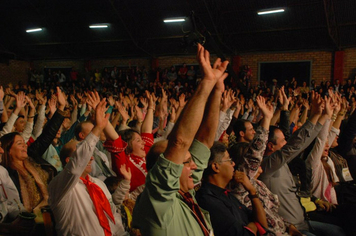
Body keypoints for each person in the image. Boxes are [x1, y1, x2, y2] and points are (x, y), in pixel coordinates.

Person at [131, 44, 229, 236]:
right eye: (186, 162)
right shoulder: (158, 203)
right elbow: (179, 143)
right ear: (166, 169)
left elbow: (205, 141)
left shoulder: (185, 192)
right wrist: (206, 84)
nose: (195, 166)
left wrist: (216, 92)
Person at [259, 91, 345, 236]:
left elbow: (304, 142)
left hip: (303, 221)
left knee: (338, 231)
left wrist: (322, 116)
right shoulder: (267, 165)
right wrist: (314, 116)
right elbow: (293, 145)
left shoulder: (282, 163)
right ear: (270, 146)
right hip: (290, 228)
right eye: (282, 141)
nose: (286, 143)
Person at [48, 93, 127, 236]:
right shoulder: (60, 186)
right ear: (68, 160)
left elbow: (112, 213)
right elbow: (76, 166)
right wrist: (97, 129)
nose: (89, 158)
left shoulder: (98, 184)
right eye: (83, 154)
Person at [0, 87, 66, 219]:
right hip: (27, 221)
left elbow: (46, 136)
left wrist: (61, 107)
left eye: (23, 143)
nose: (25, 145)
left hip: (51, 214)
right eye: (19, 144)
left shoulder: (32, 157)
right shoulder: (6, 173)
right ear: (8, 149)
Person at [196, 141, 268, 236]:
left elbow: (263, 226)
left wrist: (252, 191)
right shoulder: (207, 199)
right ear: (216, 167)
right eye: (229, 160)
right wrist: (254, 226)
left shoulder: (226, 194)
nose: (233, 164)